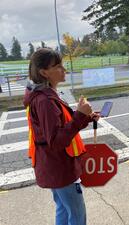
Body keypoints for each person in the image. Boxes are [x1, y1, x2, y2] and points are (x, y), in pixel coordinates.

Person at [23, 48, 99, 225]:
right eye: (58, 66)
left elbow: (59, 126)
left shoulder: (44, 95)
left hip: (53, 166)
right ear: (44, 72)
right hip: (60, 168)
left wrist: (84, 117)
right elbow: (57, 141)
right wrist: (79, 115)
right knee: (77, 215)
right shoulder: (45, 101)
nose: (64, 70)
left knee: (63, 209)